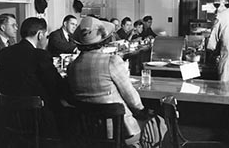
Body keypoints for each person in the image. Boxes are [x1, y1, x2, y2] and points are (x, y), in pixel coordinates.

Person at [67, 16, 167, 147]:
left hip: (88, 131)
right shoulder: (111, 61)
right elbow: (131, 97)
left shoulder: (72, 66)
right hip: (119, 130)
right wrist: (142, 111)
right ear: (104, 39)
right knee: (160, 124)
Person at [0, 17, 75, 144]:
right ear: (40, 35)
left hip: (10, 117)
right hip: (37, 118)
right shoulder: (40, 55)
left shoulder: (4, 53)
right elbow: (56, 86)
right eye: (46, 36)